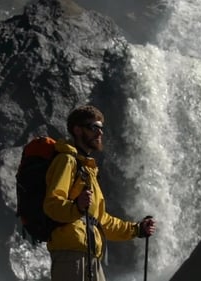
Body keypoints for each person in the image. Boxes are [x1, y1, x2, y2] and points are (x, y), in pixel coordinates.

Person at [43, 105, 156, 281]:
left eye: (101, 128)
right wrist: (77, 206)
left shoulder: (87, 169)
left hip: (90, 254)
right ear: (78, 130)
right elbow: (52, 205)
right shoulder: (66, 161)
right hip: (71, 254)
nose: (100, 133)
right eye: (94, 127)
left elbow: (101, 221)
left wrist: (137, 229)